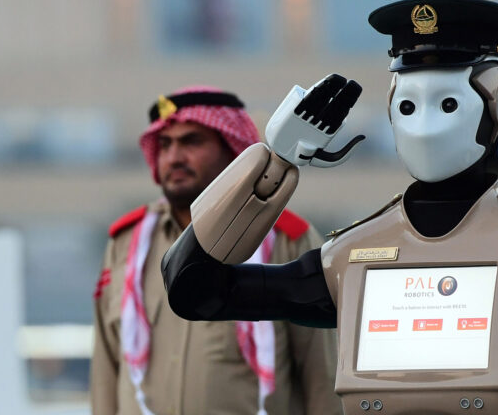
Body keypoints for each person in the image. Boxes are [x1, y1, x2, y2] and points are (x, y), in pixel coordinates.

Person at [161, 0, 498, 415]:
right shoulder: (349, 259)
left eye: (447, 104)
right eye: (407, 106)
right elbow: (193, 289)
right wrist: (273, 163)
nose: (423, 127)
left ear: (496, 102)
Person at [90, 86, 342, 415]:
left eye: (191, 142)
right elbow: (106, 372)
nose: (174, 157)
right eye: (165, 144)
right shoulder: (126, 243)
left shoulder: (288, 239)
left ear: (233, 152)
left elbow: (322, 376)